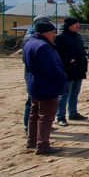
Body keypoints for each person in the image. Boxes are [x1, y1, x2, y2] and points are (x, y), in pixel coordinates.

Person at [23, 21, 67, 155]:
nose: (54, 35)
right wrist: (62, 76)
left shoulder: (29, 43)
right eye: (52, 32)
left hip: (34, 83)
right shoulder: (43, 46)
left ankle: (32, 140)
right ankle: (42, 145)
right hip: (46, 84)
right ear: (43, 32)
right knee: (46, 116)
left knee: (34, 113)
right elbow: (51, 67)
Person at [54, 17, 88, 126]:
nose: (78, 26)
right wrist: (68, 59)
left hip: (79, 69)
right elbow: (57, 53)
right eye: (75, 24)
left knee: (75, 93)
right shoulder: (60, 37)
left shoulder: (77, 36)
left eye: (78, 24)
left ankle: (73, 113)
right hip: (67, 70)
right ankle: (60, 117)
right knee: (64, 94)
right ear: (68, 25)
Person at [22, 15, 53, 133]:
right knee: (32, 102)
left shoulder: (34, 37)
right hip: (36, 75)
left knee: (37, 103)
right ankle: (29, 128)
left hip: (36, 74)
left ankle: (36, 127)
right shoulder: (32, 38)